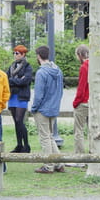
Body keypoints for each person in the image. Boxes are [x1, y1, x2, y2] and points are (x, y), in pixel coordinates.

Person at [30, 45, 65, 174]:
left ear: (38, 56)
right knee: (50, 137)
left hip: (43, 109)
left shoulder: (41, 72)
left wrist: (34, 108)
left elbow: (39, 94)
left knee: (45, 138)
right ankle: (58, 163)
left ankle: (48, 165)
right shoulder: (58, 70)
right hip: (54, 107)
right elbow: (60, 91)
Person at [6, 45, 34, 153]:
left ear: (23, 54)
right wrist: (16, 80)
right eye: (14, 53)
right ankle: (19, 145)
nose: (15, 55)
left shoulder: (27, 66)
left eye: (17, 53)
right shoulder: (12, 66)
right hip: (12, 96)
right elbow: (6, 79)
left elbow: (25, 81)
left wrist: (13, 81)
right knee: (15, 121)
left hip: (22, 96)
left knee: (19, 120)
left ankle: (26, 145)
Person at [72, 45, 90, 159]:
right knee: (93, 130)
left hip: (83, 102)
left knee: (78, 131)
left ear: (79, 55)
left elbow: (81, 87)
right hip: (92, 102)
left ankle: (80, 157)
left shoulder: (84, 67)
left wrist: (76, 102)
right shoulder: (95, 65)